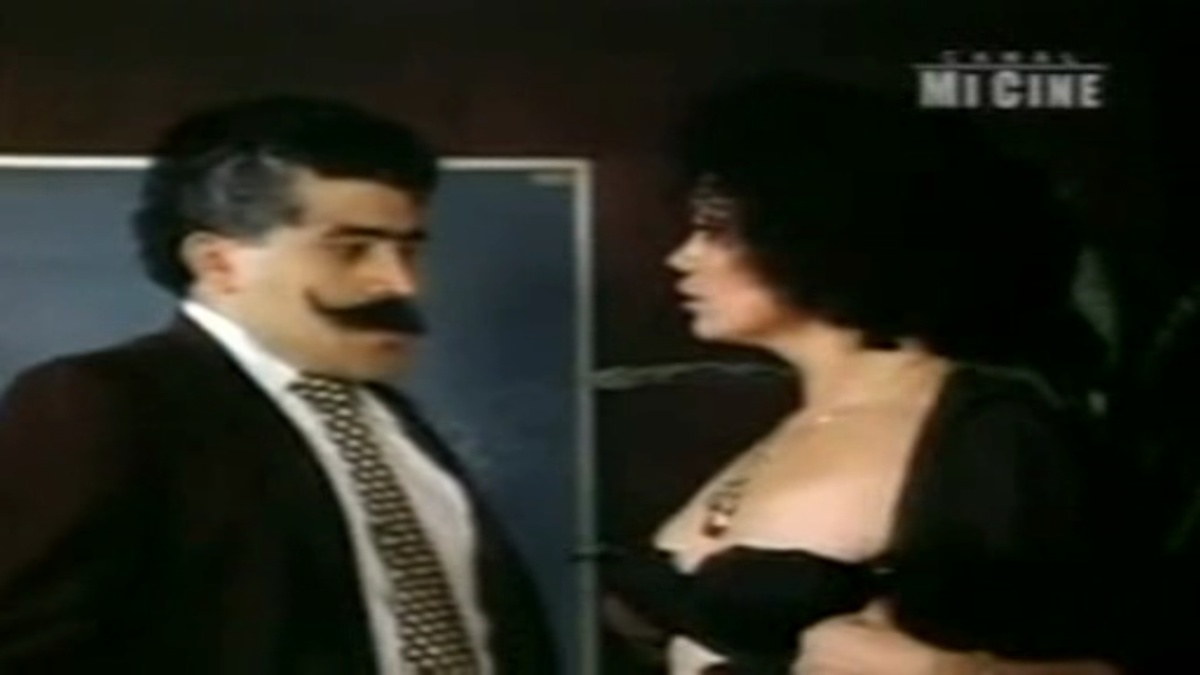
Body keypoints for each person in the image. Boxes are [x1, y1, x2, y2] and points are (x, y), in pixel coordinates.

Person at [0, 95, 556, 674]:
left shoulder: (391, 419)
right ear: (219, 263)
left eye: (409, 249)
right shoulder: (106, 404)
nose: (399, 283)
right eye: (351, 249)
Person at [598, 72, 1129, 674]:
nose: (682, 257)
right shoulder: (801, 423)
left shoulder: (989, 431)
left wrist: (951, 673)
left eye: (717, 231)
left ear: (819, 234)